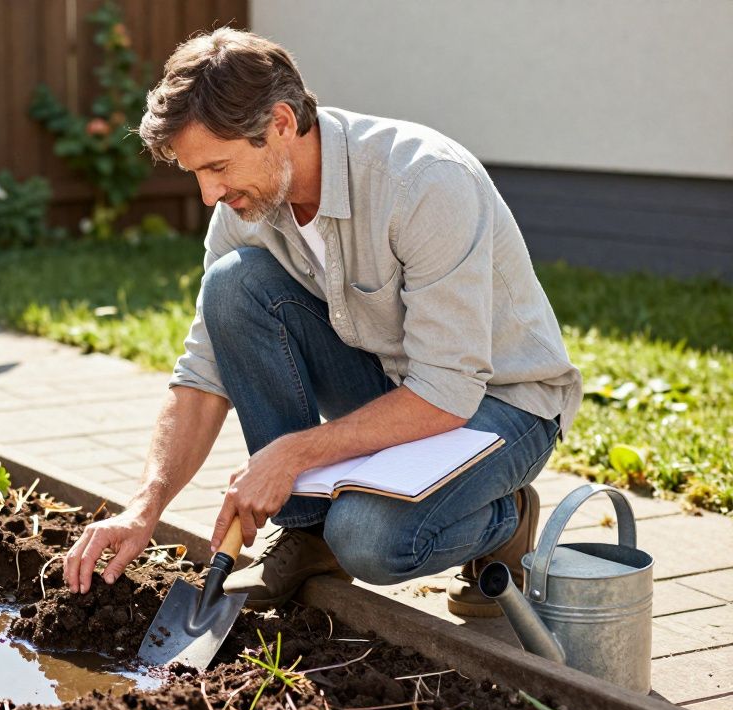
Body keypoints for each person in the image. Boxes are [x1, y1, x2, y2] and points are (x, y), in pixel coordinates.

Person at [62, 28, 582, 617]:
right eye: (195, 173)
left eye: (217, 167)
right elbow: (204, 375)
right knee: (232, 285)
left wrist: (290, 455)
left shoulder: (422, 182)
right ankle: (308, 534)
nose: (208, 194)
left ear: (281, 123)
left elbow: (446, 394)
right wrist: (144, 507)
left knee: (370, 540)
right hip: (393, 386)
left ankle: (506, 521)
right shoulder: (246, 205)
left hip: (501, 405)